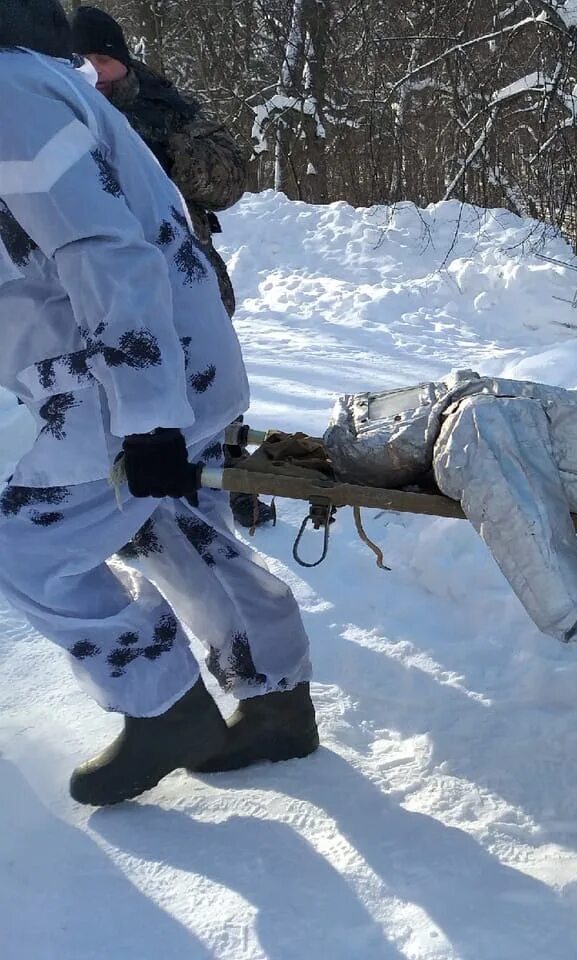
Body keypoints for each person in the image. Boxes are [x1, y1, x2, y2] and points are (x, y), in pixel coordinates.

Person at [0, 0, 318, 806]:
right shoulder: (25, 82)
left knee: (24, 543)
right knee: (158, 519)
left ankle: (160, 708)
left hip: (126, 380)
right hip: (138, 371)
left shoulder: (11, 95)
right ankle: (275, 697)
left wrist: (147, 418)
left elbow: (106, 249)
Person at [70, 4, 273, 530]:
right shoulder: (54, 104)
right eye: (79, 60)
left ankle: (226, 478)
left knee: (208, 375)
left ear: (121, 60)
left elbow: (229, 180)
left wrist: (161, 153)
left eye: (101, 60)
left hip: (183, 267)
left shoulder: (164, 106)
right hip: (99, 275)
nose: (93, 72)